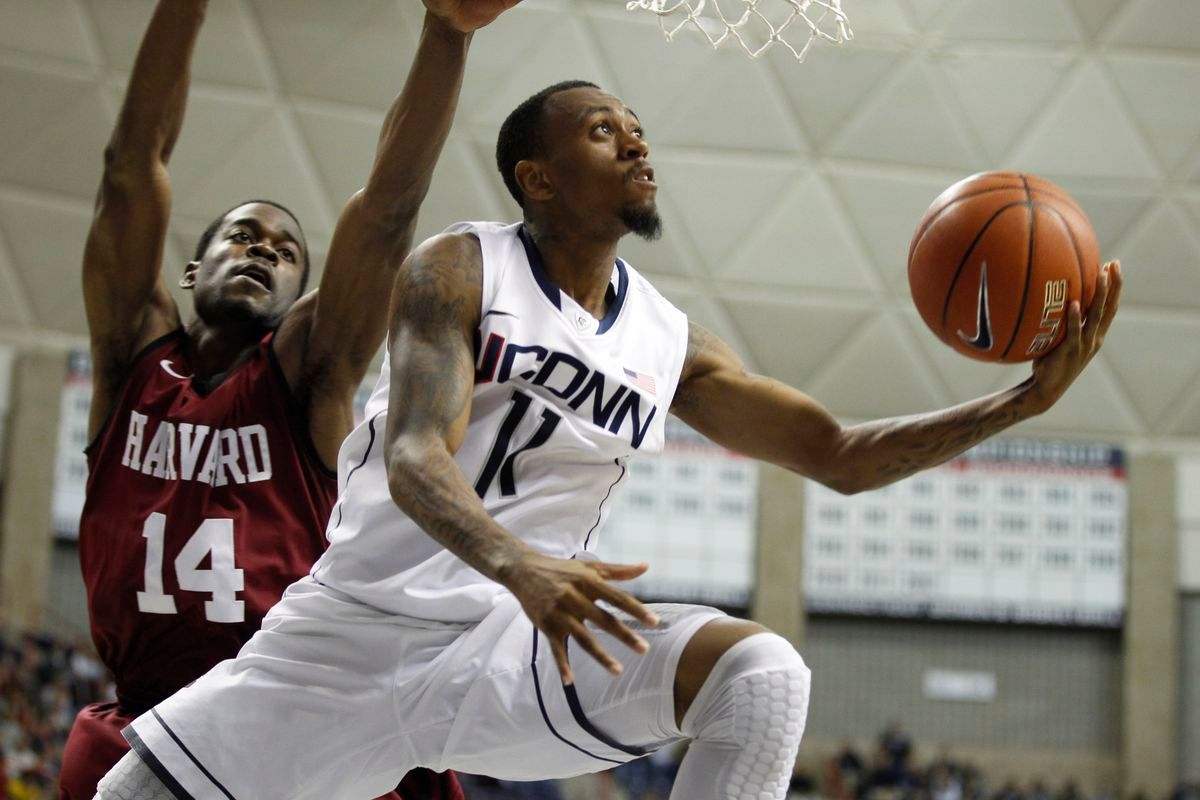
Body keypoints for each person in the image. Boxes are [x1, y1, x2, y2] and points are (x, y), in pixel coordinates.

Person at [97, 80, 1122, 800]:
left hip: (511, 649)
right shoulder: (463, 267)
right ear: (536, 177)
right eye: (602, 130)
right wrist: (520, 563)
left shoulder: (664, 338)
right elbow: (415, 454)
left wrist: (1013, 409)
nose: (636, 143)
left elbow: (840, 455)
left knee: (761, 677)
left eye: (637, 129)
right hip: (350, 640)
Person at [58, 0, 519, 797]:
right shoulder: (128, 356)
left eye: (284, 253)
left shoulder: (309, 373)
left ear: (299, 297)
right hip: (146, 715)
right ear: (192, 273)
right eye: (243, 237)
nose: (263, 252)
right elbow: (131, 167)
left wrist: (447, 34)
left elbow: (385, 217)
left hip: (292, 713)